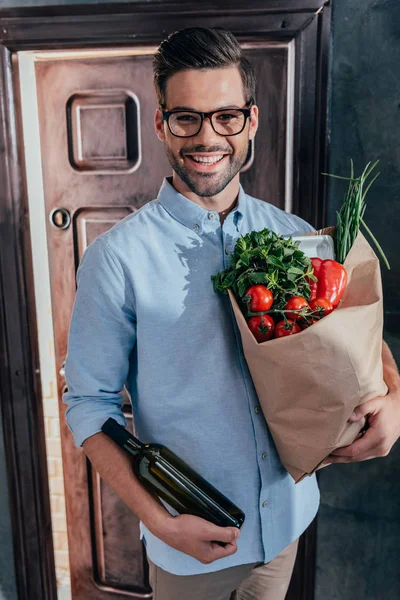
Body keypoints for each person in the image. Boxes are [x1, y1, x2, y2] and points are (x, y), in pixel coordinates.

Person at [63, 27, 400, 600]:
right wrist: (161, 523)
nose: (207, 137)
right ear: (161, 124)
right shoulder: (114, 259)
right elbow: (88, 407)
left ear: (252, 119)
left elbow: (357, 335)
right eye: (186, 118)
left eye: (225, 116)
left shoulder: (297, 238)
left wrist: (394, 394)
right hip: (189, 540)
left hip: (288, 522)